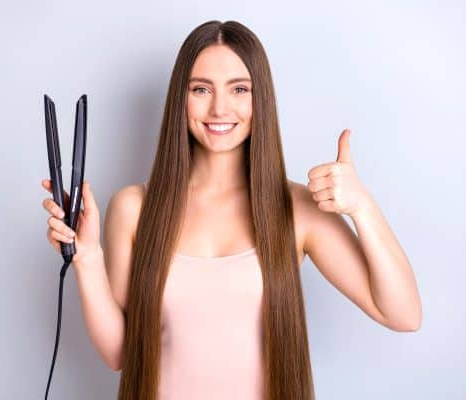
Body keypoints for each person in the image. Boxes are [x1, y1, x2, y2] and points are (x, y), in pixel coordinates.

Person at [40, 20, 421, 400]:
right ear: (181, 99)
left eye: (239, 89)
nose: (220, 108)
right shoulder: (133, 208)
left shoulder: (298, 209)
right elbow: (120, 353)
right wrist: (87, 259)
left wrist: (362, 207)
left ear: (261, 99)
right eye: (201, 89)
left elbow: (403, 314)